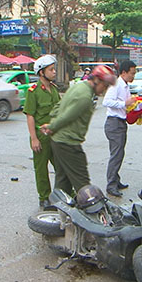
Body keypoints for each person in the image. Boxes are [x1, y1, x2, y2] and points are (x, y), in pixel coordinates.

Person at [41, 65, 116, 195]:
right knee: (83, 184)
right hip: (68, 144)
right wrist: (52, 127)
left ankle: (58, 210)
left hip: (58, 141)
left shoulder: (78, 86)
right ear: (96, 80)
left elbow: (57, 108)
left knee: (63, 181)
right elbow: (67, 117)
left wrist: (52, 124)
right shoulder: (85, 97)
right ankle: (94, 212)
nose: (105, 89)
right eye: (105, 85)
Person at [23, 55, 61, 209]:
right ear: (41, 73)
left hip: (55, 135)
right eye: (51, 70)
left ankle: (65, 194)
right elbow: (30, 115)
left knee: (61, 166)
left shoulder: (54, 89)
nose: (54, 72)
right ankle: (44, 197)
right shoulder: (34, 91)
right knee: (41, 168)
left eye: (54, 69)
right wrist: (34, 139)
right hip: (41, 135)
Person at [102, 60, 137, 197]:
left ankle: (116, 180)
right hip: (114, 123)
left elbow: (126, 105)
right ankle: (111, 185)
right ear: (124, 72)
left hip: (121, 123)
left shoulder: (125, 86)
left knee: (119, 154)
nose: (133, 76)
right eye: (132, 73)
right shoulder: (116, 85)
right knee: (116, 155)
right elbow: (106, 102)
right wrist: (124, 103)